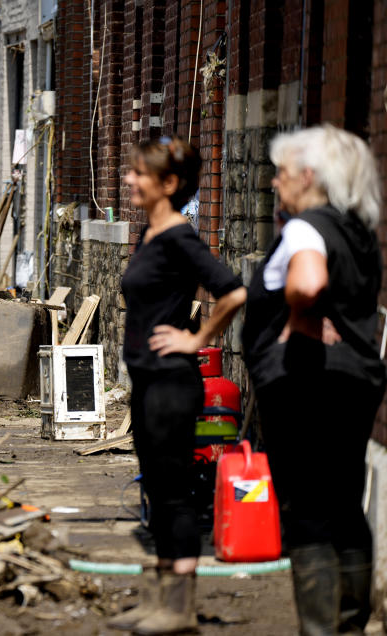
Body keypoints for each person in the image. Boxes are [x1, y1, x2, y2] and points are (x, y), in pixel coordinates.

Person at [241, 125, 385, 635]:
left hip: (304, 382)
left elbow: (306, 282)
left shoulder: (306, 229)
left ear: (308, 176)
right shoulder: (358, 231)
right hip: (356, 377)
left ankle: (321, 631)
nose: (275, 185)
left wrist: (300, 318)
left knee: (307, 510)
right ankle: (348, 626)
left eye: (281, 174)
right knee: (345, 505)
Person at [108, 136, 246, 635]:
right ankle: (158, 598)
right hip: (147, 381)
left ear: (168, 183)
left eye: (138, 173)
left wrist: (198, 339)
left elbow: (232, 291)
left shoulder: (180, 238)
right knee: (156, 488)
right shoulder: (151, 232)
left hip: (171, 384)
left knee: (174, 493)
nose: (129, 180)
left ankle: (180, 608)